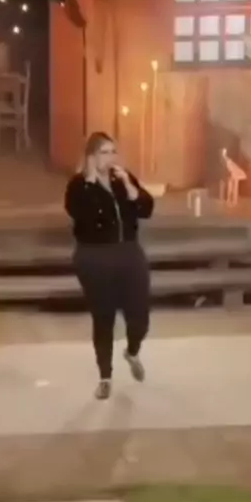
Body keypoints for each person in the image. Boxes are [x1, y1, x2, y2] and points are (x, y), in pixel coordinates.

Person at [64, 132, 154, 400]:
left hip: (129, 253)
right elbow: (80, 214)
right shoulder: (79, 185)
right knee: (103, 317)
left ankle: (132, 351)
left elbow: (146, 209)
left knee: (139, 316)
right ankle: (105, 376)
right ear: (91, 157)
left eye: (113, 151)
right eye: (104, 152)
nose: (110, 157)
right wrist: (91, 183)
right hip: (95, 256)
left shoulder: (121, 179)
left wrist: (129, 185)